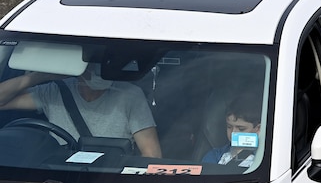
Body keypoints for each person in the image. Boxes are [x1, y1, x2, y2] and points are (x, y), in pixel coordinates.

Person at [0, 62, 162, 157]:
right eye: (92, 66)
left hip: (112, 178)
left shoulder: (130, 94)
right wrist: (39, 76)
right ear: (78, 67)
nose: (98, 72)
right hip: (58, 177)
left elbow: (151, 154)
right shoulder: (55, 90)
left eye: (103, 66)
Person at [202, 93, 262, 167]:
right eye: (229, 127)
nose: (233, 133)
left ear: (258, 128)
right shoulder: (214, 156)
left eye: (241, 129)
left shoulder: (266, 158)